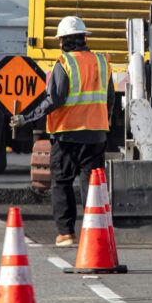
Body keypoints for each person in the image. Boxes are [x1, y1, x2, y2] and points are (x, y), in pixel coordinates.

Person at [10, 16, 114, 247]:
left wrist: (25, 118)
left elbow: (54, 99)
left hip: (67, 134)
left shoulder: (64, 64)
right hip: (96, 134)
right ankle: (94, 232)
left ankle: (67, 234)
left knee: (61, 182)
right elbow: (110, 100)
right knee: (93, 185)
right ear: (84, 38)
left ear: (62, 41)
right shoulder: (102, 62)